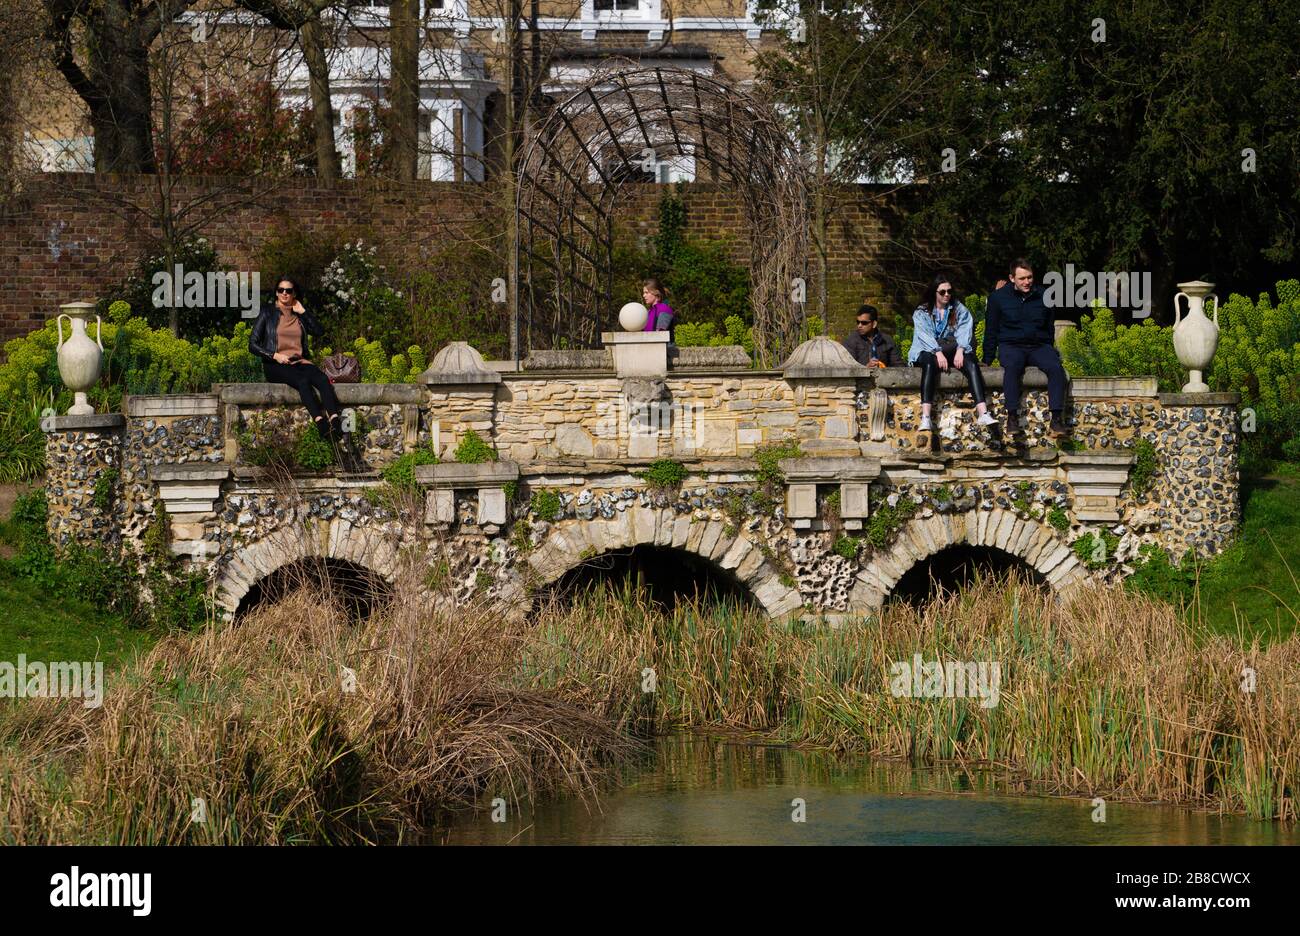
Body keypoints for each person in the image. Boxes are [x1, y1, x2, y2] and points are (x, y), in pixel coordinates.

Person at [249, 276, 357, 466]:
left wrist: (304, 312)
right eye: (281, 290)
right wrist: (275, 355)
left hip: (300, 361)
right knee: (302, 382)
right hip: (275, 364)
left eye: (288, 291)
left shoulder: (299, 315)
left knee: (323, 380)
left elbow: (319, 330)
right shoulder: (267, 313)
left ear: (294, 294)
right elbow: (253, 344)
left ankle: (334, 420)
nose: (284, 293)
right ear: (276, 293)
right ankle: (320, 422)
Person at [981, 258, 1069, 437]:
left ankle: (1057, 419)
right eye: (1022, 279)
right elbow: (991, 329)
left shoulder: (1044, 296)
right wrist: (987, 359)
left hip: (1038, 345)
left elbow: (1049, 327)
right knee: (1012, 367)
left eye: (1029, 277)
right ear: (1012, 278)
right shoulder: (997, 298)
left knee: (1055, 367)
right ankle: (1012, 418)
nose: (1027, 282)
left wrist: (1048, 349)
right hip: (1011, 345)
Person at [907, 275, 997, 433]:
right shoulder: (922, 311)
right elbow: (924, 336)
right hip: (926, 349)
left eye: (949, 291)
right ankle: (926, 417)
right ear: (934, 293)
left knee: (971, 363)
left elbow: (965, 329)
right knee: (929, 364)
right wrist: (938, 353)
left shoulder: (958, 308)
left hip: (952, 347)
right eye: (942, 292)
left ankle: (983, 412)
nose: (947, 295)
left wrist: (961, 350)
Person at [842, 304, 903, 368]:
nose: (859, 325)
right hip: (861, 377)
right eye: (858, 322)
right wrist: (866, 368)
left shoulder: (887, 340)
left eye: (864, 323)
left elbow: (899, 365)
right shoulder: (851, 341)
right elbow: (847, 367)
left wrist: (884, 369)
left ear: (874, 324)